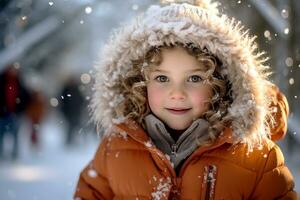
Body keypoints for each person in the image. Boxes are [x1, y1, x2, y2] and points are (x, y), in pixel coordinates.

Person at [74, 0, 297, 199]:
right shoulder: (115, 148)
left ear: (221, 84)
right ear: (140, 84)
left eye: (194, 78)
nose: (177, 92)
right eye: (162, 78)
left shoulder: (255, 156)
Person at [0, 65, 30, 160]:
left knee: (15, 135)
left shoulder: (19, 83)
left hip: (15, 114)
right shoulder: (2, 82)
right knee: (1, 135)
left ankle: (14, 154)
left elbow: (27, 98)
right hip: (2, 114)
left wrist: (20, 109)